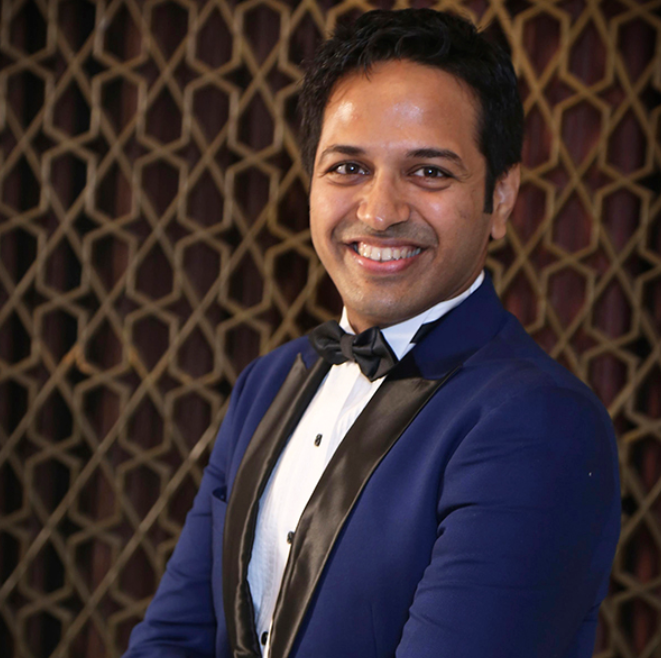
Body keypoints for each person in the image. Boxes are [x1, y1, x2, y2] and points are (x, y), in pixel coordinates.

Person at [124, 9, 620, 658]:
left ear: (500, 198)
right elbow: (172, 638)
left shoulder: (539, 422)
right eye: (348, 168)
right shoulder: (266, 383)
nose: (380, 212)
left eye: (429, 171)